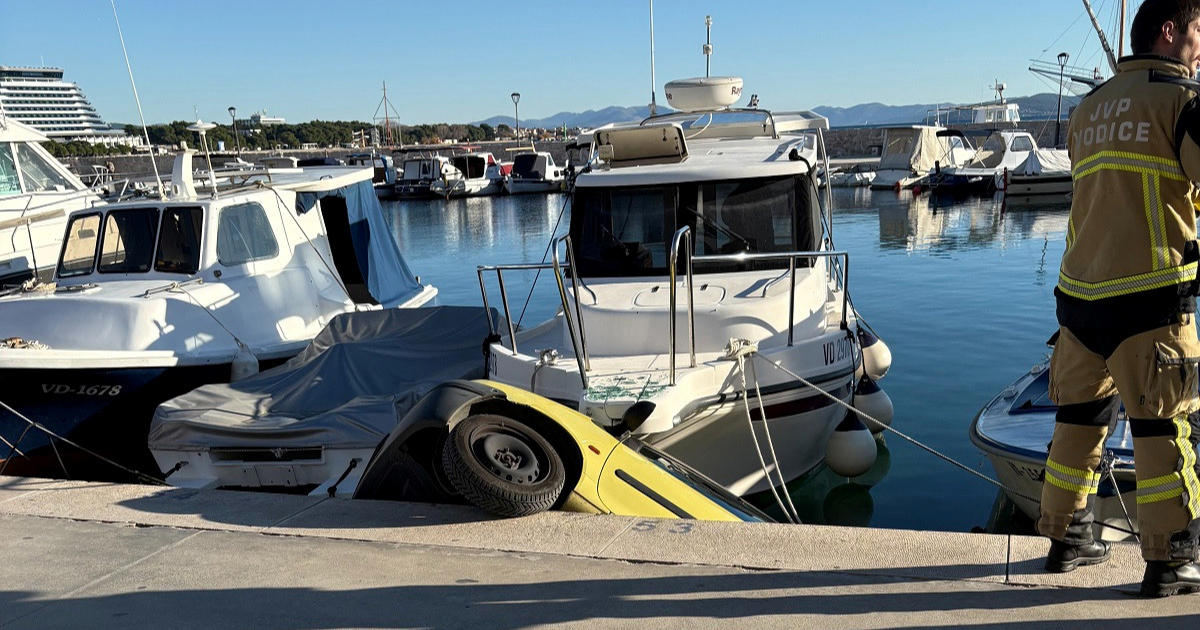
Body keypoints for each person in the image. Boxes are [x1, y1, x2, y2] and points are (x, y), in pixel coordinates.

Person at [1039, 0, 1200, 598]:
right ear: (1170, 31)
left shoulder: (1090, 108)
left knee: (1076, 421)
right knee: (1163, 429)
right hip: (1149, 294)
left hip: (1079, 296)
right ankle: (1172, 559)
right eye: (1198, 33)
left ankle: (1066, 539)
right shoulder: (1182, 101)